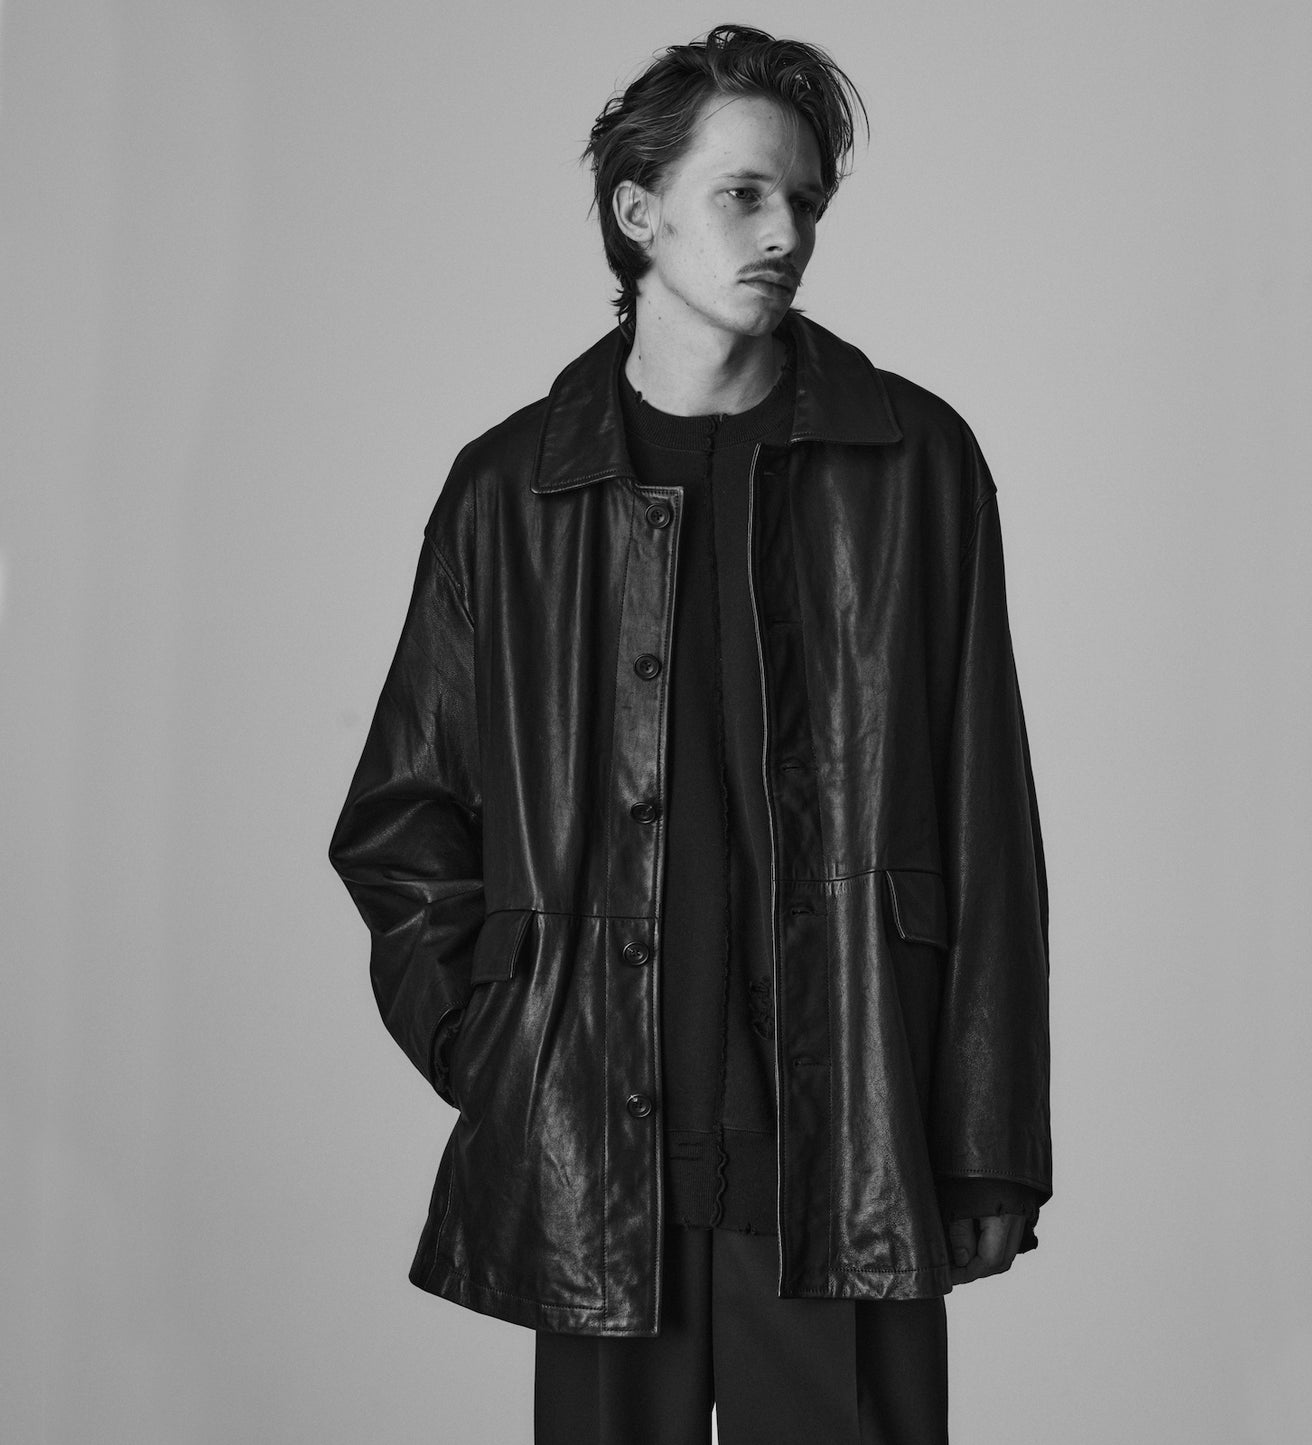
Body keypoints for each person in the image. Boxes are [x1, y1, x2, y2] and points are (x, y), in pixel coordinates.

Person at [329, 23, 1050, 1445]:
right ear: (637, 210)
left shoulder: (913, 464)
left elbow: (988, 822)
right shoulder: (513, 490)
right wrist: (506, 1053)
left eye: (806, 202)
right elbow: (401, 821)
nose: (786, 234)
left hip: (849, 1154)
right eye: (744, 194)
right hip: (600, 1170)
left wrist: (986, 1145)